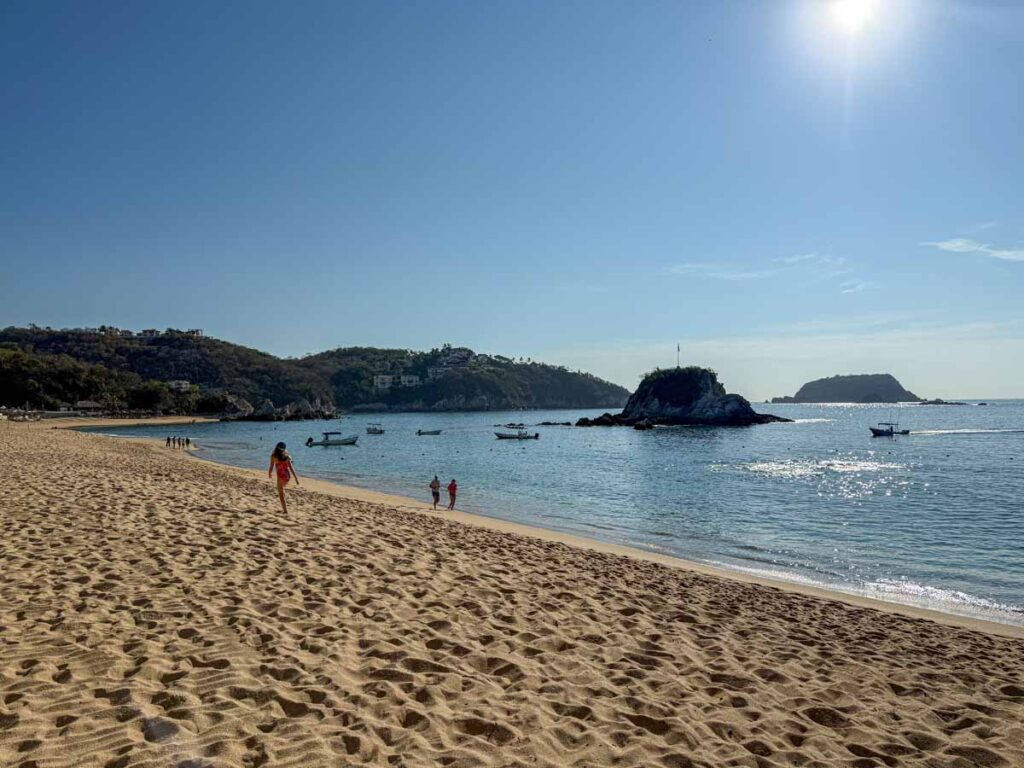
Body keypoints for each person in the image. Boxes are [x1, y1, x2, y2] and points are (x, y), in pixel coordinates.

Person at [268, 442, 300, 513]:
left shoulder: (273, 456)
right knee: (282, 490)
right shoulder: (287, 456)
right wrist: (296, 478)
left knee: (281, 493)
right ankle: (285, 509)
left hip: (280, 476)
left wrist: (269, 474)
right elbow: (291, 468)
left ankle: (285, 510)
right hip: (287, 476)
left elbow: (271, 467)